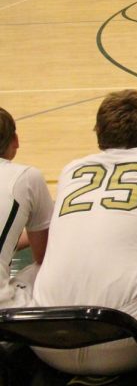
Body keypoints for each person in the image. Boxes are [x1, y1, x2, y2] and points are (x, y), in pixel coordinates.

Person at [32, 90, 137, 375]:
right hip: (128, 340)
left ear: (99, 133)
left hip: (47, 339)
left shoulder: (71, 168)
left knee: (35, 272)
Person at [0, 107, 53, 309]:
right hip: (4, 308)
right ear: (14, 139)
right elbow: (43, 253)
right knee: (52, 266)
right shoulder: (26, 176)